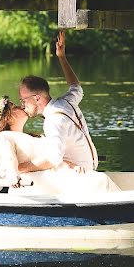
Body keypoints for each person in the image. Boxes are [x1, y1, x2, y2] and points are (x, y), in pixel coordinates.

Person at [18, 30, 98, 173]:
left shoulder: (53, 121)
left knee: (33, 166)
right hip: (91, 167)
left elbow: (54, 159)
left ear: (37, 98)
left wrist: (20, 168)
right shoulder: (66, 103)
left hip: (80, 176)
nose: (22, 105)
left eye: (23, 100)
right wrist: (62, 57)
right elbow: (77, 88)